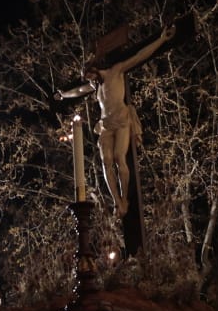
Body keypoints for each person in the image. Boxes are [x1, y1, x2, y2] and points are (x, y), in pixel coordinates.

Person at [66, 22, 176, 216]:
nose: (90, 82)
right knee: (105, 161)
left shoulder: (116, 71)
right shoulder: (96, 85)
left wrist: (161, 40)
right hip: (106, 124)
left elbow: (140, 55)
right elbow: (80, 90)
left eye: (90, 77)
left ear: (96, 69)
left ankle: (125, 198)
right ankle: (117, 202)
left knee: (119, 158)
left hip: (122, 120)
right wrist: (64, 96)